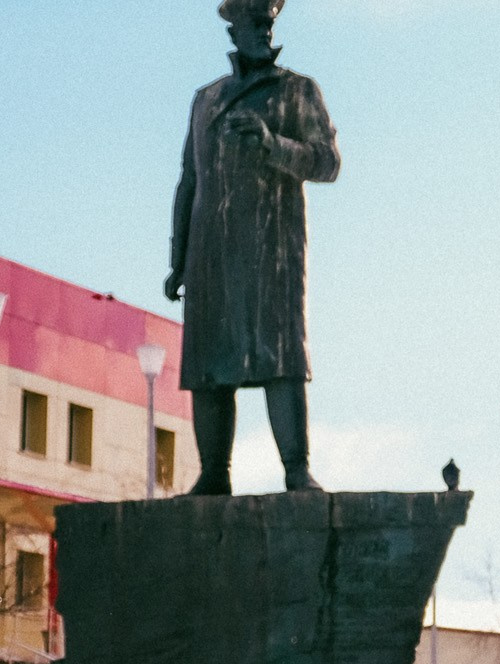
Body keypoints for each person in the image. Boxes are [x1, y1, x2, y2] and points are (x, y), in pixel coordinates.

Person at [165, 0, 340, 494]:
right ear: (235, 29)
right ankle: (213, 474)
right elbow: (188, 182)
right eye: (256, 23)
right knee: (208, 364)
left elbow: (328, 162)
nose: (266, 30)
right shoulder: (206, 99)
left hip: (273, 250)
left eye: (270, 22)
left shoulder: (298, 91)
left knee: (280, 356)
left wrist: (271, 144)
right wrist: (178, 259)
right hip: (211, 254)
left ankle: (296, 470)